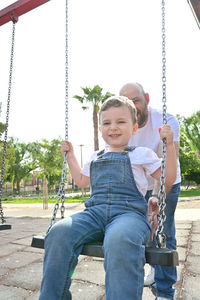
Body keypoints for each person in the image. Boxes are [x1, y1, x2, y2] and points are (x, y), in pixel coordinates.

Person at [39, 96, 177, 300]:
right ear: (100, 128)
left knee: (119, 239)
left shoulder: (142, 153)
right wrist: (70, 156)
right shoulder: (96, 156)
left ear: (134, 128)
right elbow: (81, 180)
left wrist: (170, 146)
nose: (113, 127)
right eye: (106, 123)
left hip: (129, 215)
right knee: (58, 232)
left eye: (121, 122)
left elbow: (168, 178)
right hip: (94, 213)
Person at [120, 82, 181, 300]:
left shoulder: (167, 122)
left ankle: (165, 291)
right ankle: (155, 270)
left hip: (167, 183)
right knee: (144, 234)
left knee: (164, 233)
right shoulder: (125, 125)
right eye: (127, 102)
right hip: (138, 186)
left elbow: (165, 168)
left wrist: (155, 195)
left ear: (146, 98)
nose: (132, 106)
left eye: (135, 100)